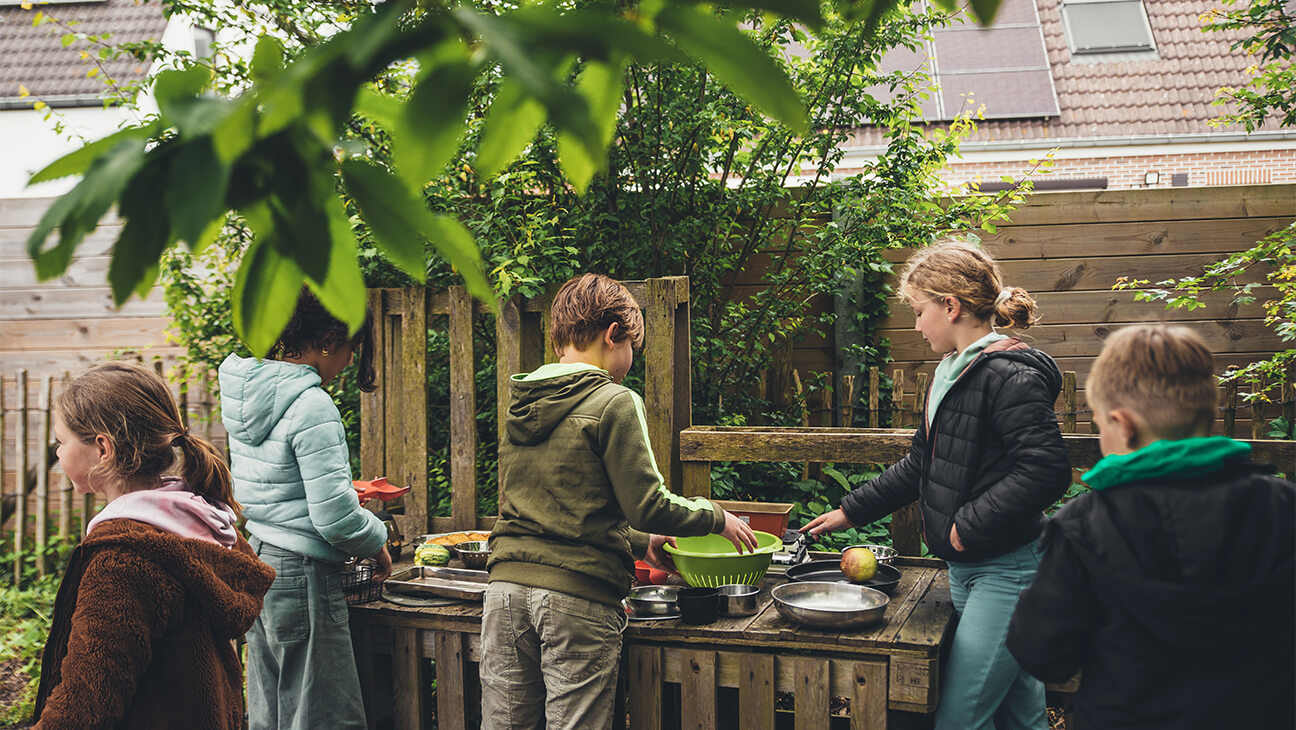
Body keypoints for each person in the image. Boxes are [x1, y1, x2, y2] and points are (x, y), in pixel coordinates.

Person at [802, 239, 1070, 730]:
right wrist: (850, 511)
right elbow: (920, 467)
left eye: (919, 311)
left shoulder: (1009, 376)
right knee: (1019, 714)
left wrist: (963, 528)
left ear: (952, 306)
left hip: (1006, 572)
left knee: (960, 719)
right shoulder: (951, 372)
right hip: (970, 568)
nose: (917, 325)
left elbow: (1046, 470)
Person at [481, 273, 757, 730]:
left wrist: (639, 541)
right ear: (613, 335)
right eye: (632, 346)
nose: (630, 360)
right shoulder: (614, 401)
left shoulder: (522, 402)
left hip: (505, 593)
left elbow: (558, 506)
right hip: (575, 599)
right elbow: (648, 504)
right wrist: (714, 516)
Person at [1007, 324, 1295, 730]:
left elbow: (1041, 652)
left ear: (1123, 424)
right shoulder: (1282, 507)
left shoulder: (1085, 526)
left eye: (1098, 423)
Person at [32, 361, 274, 730]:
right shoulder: (198, 522)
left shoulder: (122, 562)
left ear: (102, 449)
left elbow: (86, 705)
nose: (58, 454)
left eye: (61, 442)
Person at [219, 289, 392, 730]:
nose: (351, 361)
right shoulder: (311, 404)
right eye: (352, 347)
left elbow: (277, 488)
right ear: (331, 339)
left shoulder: (248, 397)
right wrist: (378, 543)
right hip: (302, 574)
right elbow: (334, 517)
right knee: (319, 714)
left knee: (272, 708)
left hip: (259, 560)